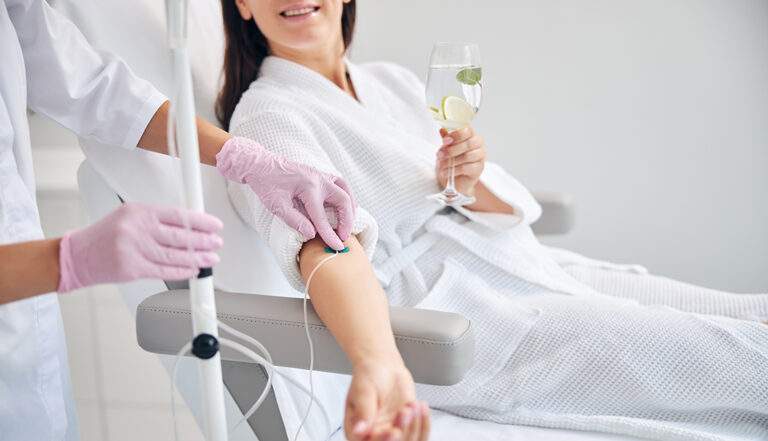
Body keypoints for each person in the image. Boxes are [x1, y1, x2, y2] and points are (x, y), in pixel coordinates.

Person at [217, 1, 768, 441]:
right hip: (455, 313)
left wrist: (468, 176)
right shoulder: (270, 115)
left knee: (751, 314)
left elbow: (475, 202)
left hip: (515, 263)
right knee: (735, 356)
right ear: (242, 4)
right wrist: (377, 360)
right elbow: (323, 242)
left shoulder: (391, 83)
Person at [0, 0, 355, 439]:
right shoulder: (271, 110)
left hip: (23, 342)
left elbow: (94, 88)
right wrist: (66, 259)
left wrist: (242, 158)